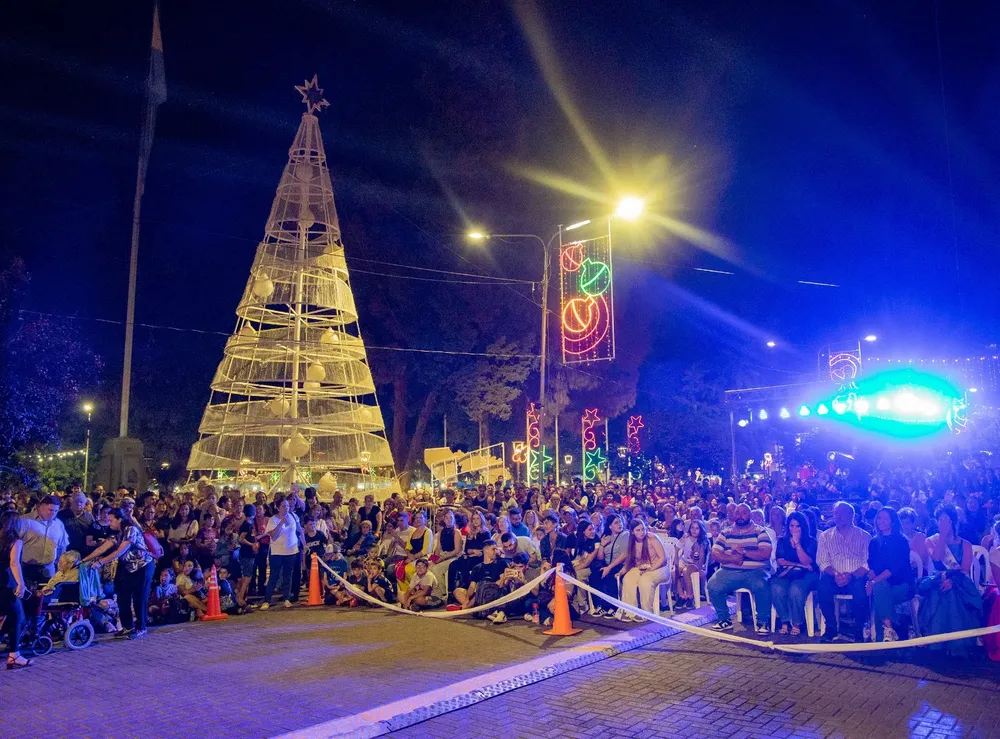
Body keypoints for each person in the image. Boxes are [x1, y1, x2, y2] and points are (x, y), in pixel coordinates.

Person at [918, 503, 981, 655]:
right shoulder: (931, 541)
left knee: (952, 592)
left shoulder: (965, 544)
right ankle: (939, 643)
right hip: (938, 578)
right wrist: (942, 535)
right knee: (940, 590)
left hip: (959, 581)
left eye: (945, 520)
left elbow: (964, 570)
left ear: (953, 521)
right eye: (939, 520)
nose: (942, 523)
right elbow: (937, 557)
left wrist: (952, 581)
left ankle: (957, 643)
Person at [82, 508, 154, 639]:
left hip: (143, 566)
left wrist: (100, 562)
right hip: (129, 567)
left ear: (119, 519)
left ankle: (141, 627)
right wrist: (84, 560)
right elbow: (102, 548)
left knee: (139, 597)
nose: (109, 523)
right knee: (122, 595)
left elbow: (119, 552)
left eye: (111, 520)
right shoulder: (118, 534)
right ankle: (128, 626)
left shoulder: (131, 530)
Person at [707, 503, 773, 634]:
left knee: (762, 585)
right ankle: (724, 619)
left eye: (744, 513)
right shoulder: (725, 533)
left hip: (755, 572)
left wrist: (744, 553)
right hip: (729, 571)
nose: (740, 516)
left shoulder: (760, 531)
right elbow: (715, 553)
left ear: (750, 515)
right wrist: (732, 559)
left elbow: (765, 553)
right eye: (737, 513)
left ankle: (763, 621)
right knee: (713, 585)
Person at [816, 501, 872, 643]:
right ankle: (831, 627)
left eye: (842, 513)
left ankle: (859, 628)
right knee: (822, 587)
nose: (838, 516)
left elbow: (867, 562)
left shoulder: (864, 536)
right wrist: (836, 574)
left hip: (856, 576)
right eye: (836, 513)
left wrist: (851, 575)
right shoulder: (825, 536)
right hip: (834, 575)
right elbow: (822, 561)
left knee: (861, 589)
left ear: (852, 515)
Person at [866, 507, 915, 642]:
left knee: (879, 593)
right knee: (879, 590)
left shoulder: (901, 541)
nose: (881, 521)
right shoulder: (874, 542)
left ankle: (887, 631)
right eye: (879, 518)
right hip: (882, 584)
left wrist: (874, 582)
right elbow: (872, 566)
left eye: (886, 518)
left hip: (902, 584)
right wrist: (869, 580)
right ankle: (891, 629)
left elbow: (894, 569)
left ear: (893, 521)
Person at [770, 511, 818, 636]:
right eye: (792, 526)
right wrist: (799, 565)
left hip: (807, 575)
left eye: (798, 526)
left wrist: (797, 544)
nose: (794, 529)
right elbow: (780, 561)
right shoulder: (782, 541)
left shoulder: (811, 541)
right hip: (787, 573)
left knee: (795, 589)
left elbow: (807, 561)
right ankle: (785, 620)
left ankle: (797, 623)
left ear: (803, 526)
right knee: (776, 587)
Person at [619, 519, 669, 622]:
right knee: (628, 579)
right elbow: (630, 560)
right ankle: (630, 612)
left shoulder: (652, 538)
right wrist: (621, 571)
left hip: (659, 568)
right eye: (638, 530)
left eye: (643, 529)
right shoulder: (632, 542)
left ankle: (646, 613)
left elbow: (662, 558)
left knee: (645, 580)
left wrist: (651, 569)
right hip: (641, 567)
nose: (642, 532)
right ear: (632, 532)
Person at [0, 510, 32, 669]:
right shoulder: (14, 541)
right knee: (18, 617)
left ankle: (13, 652)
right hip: (6, 583)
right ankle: (14, 654)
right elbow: (14, 563)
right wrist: (21, 583)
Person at [260, 499, 304, 610]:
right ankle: (267, 600)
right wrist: (281, 523)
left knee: (288, 576)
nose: (286, 508)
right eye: (284, 506)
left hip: (291, 550)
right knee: (273, 576)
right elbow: (272, 535)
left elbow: (299, 530)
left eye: (288, 506)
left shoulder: (293, 516)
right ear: (278, 507)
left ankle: (286, 598)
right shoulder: (272, 520)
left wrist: (304, 543)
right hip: (277, 552)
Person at [17, 495, 69, 585]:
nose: (53, 513)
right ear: (41, 507)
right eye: (50, 510)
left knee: (47, 597)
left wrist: (61, 567)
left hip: (49, 569)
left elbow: (63, 545)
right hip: (27, 569)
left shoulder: (58, 524)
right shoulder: (24, 521)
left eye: (56, 511)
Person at [590, 514, 629, 616]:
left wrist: (609, 567)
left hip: (619, 564)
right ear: (610, 526)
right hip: (606, 564)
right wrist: (602, 545)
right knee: (594, 576)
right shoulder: (606, 536)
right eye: (616, 523)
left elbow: (624, 555)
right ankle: (600, 605)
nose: (619, 524)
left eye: (620, 521)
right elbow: (600, 558)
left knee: (610, 576)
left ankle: (612, 606)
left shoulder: (625, 535)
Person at [676, 520, 710, 609]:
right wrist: (682, 538)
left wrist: (699, 569)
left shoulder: (702, 541)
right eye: (692, 528)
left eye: (697, 528)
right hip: (684, 561)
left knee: (686, 571)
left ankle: (690, 596)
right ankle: (681, 596)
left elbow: (701, 558)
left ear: (701, 530)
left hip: (696, 564)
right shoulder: (686, 537)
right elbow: (677, 547)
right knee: (675, 571)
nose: (694, 530)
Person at [58, 491, 95, 556]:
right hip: (64, 552)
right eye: (76, 501)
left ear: (85, 503)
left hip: (83, 553)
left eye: (81, 501)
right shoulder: (61, 515)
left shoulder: (90, 518)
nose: (78, 504)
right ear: (71, 501)